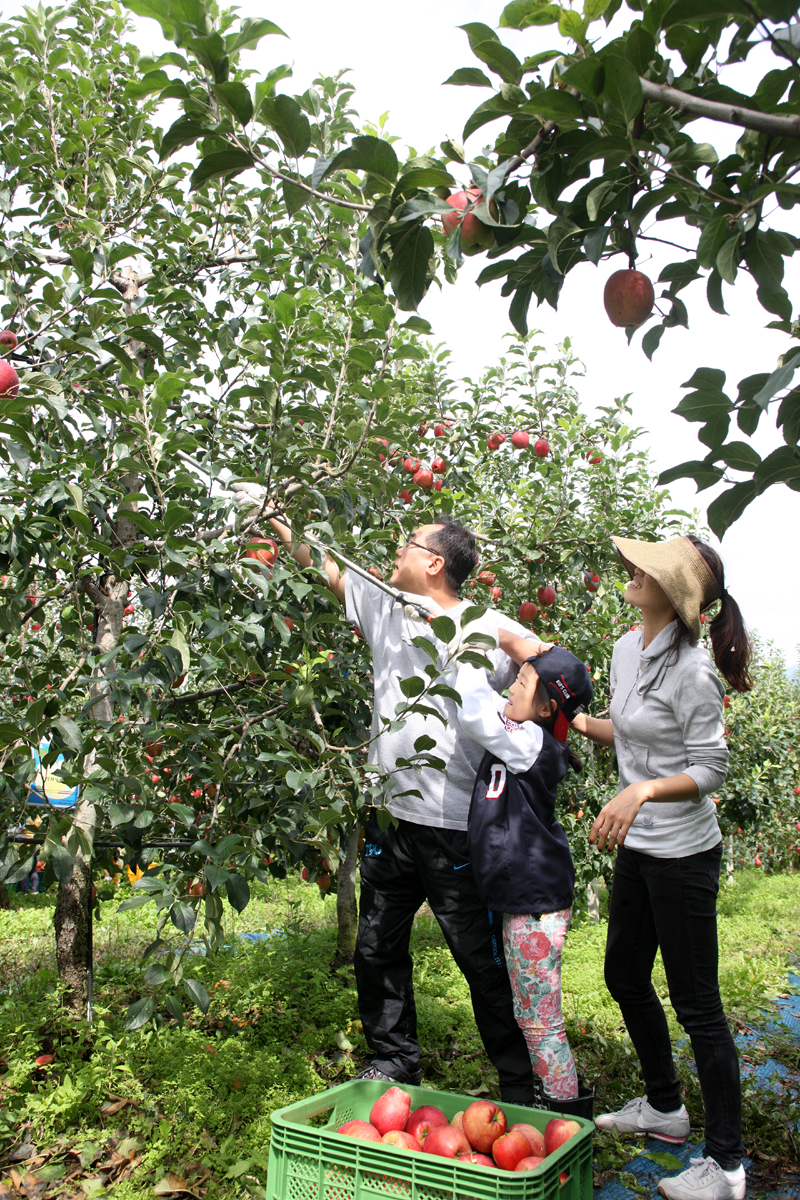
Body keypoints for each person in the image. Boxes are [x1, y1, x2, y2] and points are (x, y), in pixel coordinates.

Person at [257, 507, 545, 1103]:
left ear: (435, 561)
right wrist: (285, 526)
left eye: (409, 544)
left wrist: (533, 673)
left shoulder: (484, 626)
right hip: (387, 817)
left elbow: (544, 663)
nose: (398, 550)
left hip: (453, 823)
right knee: (376, 945)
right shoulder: (387, 608)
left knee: (478, 957)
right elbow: (330, 571)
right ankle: (394, 1059)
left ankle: (521, 1082)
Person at [571, 534, 751, 1200]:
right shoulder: (626, 648)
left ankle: (726, 1166)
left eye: (651, 570)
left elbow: (709, 768)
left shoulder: (693, 670)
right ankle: (665, 1107)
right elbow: (635, 728)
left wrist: (642, 790)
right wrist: (576, 722)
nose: (634, 570)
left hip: (683, 857)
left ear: (677, 596)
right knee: (623, 975)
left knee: (699, 1006)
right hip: (641, 852)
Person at [455, 630, 595, 1116]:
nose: (512, 686)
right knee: (531, 1013)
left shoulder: (530, 741)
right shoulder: (525, 728)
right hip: (524, 898)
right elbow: (489, 703)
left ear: (545, 710)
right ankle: (552, 1109)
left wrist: (464, 643)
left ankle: (566, 1120)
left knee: (539, 1020)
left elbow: (474, 710)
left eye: (524, 682)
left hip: (534, 902)